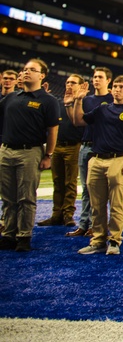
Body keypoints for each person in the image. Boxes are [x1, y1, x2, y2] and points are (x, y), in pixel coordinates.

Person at [76, 75, 123, 256]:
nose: (116, 89)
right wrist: (77, 101)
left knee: (116, 203)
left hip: (119, 158)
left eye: (121, 87)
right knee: (96, 204)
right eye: (115, 86)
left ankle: (114, 239)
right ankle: (98, 239)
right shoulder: (102, 109)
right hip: (97, 158)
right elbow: (79, 121)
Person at [0, 59, 60, 252]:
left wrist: (48, 154)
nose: (26, 72)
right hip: (6, 150)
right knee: (8, 198)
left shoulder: (48, 100)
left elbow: (52, 130)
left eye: (32, 70)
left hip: (30, 151)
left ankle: (24, 236)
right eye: (24, 69)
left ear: (41, 76)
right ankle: (8, 234)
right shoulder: (11, 97)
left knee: (26, 197)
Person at [66, 67, 113, 239]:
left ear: (108, 80)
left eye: (100, 77)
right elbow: (76, 122)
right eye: (94, 77)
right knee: (86, 189)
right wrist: (75, 102)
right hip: (85, 146)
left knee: (99, 190)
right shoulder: (86, 99)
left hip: (101, 148)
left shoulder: (112, 99)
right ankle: (83, 224)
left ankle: (96, 225)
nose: (96, 80)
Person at [38, 74, 85, 227]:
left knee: (70, 182)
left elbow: (78, 123)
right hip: (57, 145)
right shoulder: (57, 103)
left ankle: (68, 214)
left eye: (73, 83)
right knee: (57, 181)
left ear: (80, 86)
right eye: (67, 82)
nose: (69, 85)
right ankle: (56, 214)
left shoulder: (82, 103)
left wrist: (71, 104)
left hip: (74, 145)